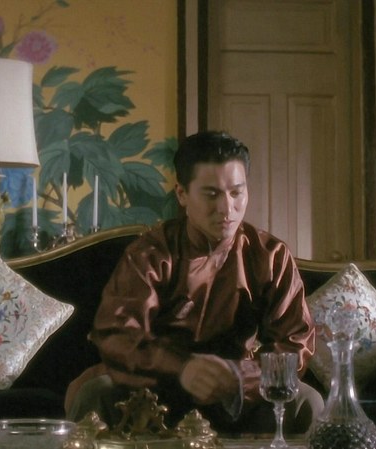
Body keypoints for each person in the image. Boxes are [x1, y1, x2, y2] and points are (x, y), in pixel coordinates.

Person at [65, 130, 323, 435]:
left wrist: (238, 375)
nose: (226, 208)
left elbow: (295, 342)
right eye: (211, 194)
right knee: (95, 393)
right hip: (156, 386)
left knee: (306, 401)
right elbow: (118, 335)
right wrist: (182, 368)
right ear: (182, 194)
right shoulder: (151, 254)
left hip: (236, 389)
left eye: (236, 193)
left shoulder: (269, 256)